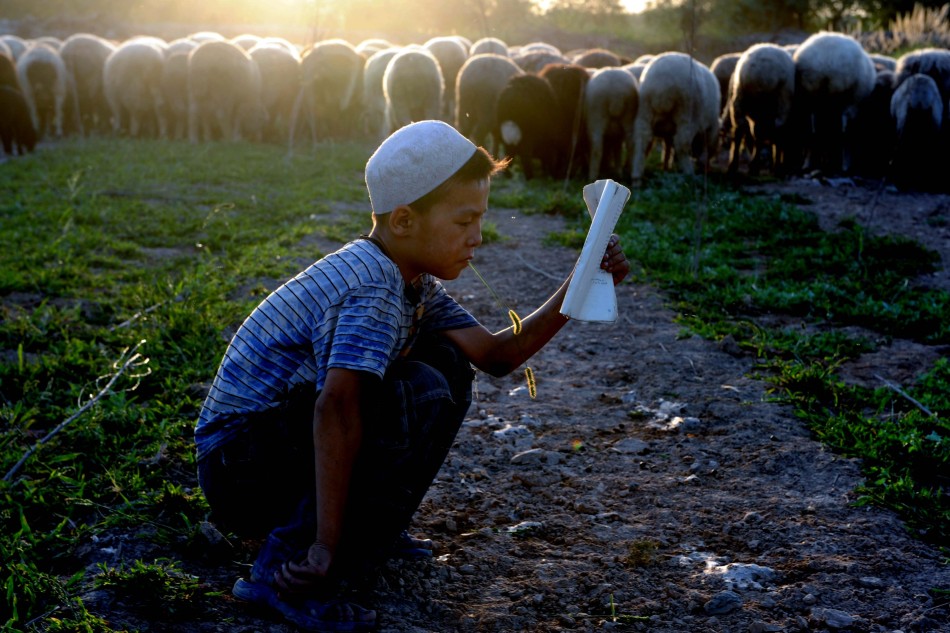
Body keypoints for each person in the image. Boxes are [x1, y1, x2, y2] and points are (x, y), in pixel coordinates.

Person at [195, 120, 630, 632]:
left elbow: (494, 355)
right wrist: (323, 545)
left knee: (448, 367)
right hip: (237, 465)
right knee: (415, 393)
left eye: (480, 219)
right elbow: (335, 410)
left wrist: (582, 278)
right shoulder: (373, 286)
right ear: (403, 221)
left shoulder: (412, 280)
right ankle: (287, 566)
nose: (478, 236)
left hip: (267, 450)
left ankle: (369, 534)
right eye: (464, 221)